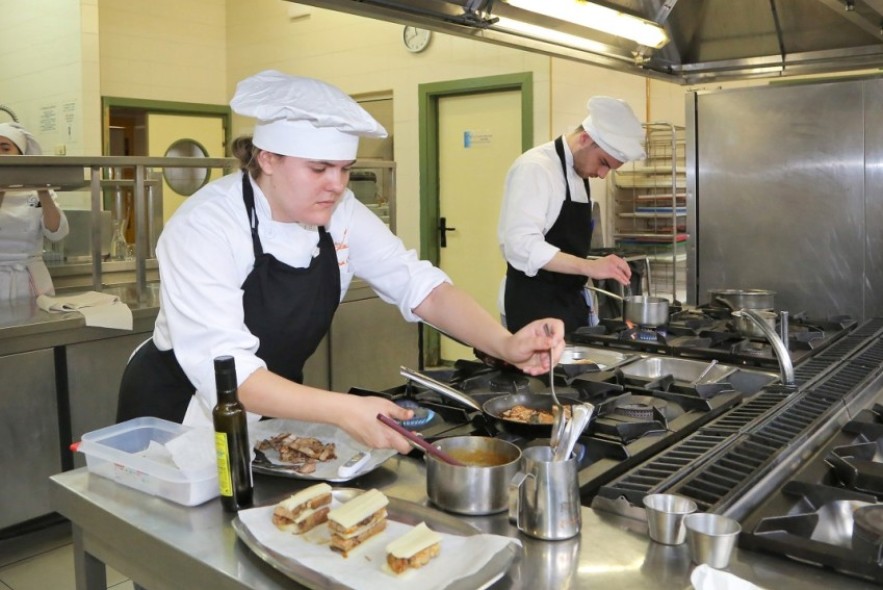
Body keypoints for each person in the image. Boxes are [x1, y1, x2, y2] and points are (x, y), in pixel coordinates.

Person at [117, 70, 565, 455]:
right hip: (185, 415)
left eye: (346, 168)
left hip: (274, 403)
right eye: (319, 168)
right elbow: (228, 375)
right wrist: (345, 411)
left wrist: (505, 344)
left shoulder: (341, 213)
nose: (336, 184)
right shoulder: (206, 226)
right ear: (268, 158)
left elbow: (417, 284)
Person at [498, 96, 647, 334]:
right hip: (534, 308)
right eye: (603, 163)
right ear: (585, 139)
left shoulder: (578, 172)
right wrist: (589, 267)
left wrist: (596, 266)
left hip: (569, 304)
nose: (602, 174)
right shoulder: (536, 168)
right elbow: (520, 245)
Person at [0, 122, 69, 300]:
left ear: (20, 154)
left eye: (5, 148)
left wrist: (42, 190)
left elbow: (56, 232)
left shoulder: (35, 192)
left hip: (32, 277)